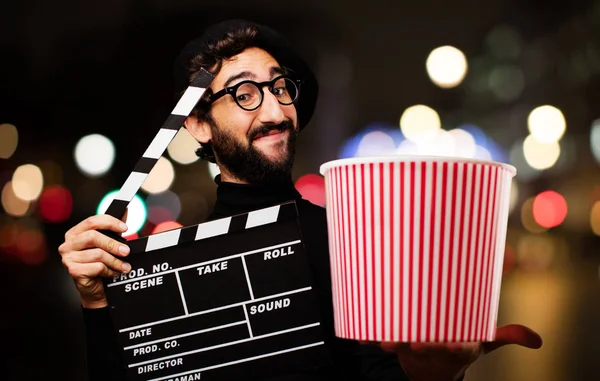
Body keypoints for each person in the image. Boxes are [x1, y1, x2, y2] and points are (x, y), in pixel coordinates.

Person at [58, 19, 542, 381]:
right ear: (198, 123)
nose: (274, 109)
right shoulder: (169, 264)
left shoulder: (355, 240)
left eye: (280, 86)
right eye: (245, 93)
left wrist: (436, 375)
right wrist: (96, 302)